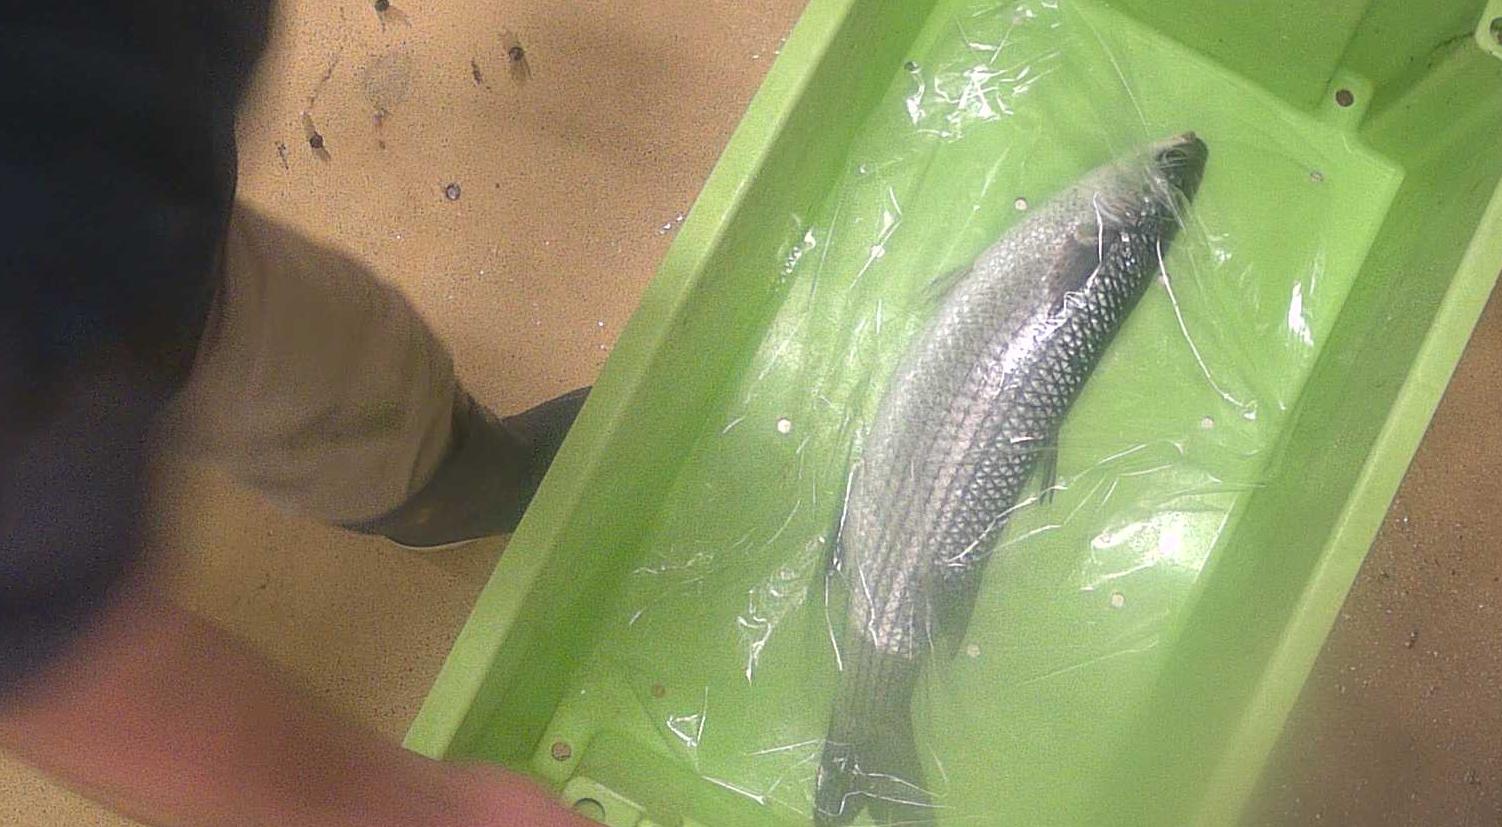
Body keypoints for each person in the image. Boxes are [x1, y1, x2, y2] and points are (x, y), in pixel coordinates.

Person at [1, 2, 593, 824]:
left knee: (345, 366)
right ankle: (453, 485)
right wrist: (430, 813)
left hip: (118, 186)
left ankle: (453, 470)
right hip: (86, 296)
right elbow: (46, 654)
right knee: (342, 392)